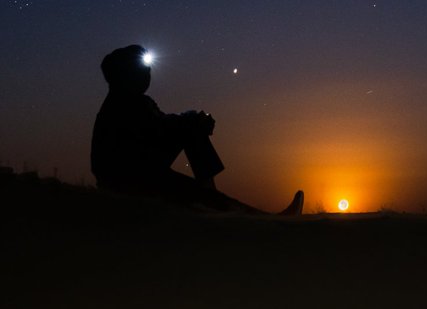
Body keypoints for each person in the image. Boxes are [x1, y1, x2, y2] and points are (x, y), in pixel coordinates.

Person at [91, 44, 303, 216]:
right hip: (130, 179)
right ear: (126, 74)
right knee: (195, 187)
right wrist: (191, 122)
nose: (147, 73)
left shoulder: (135, 102)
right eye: (141, 69)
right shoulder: (123, 105)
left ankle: (212, 198)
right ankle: (224, 208)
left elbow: (164, 125)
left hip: (139, 170)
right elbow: (159, 129)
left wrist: (192, 120)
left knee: (191, 128)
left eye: (147, 68)